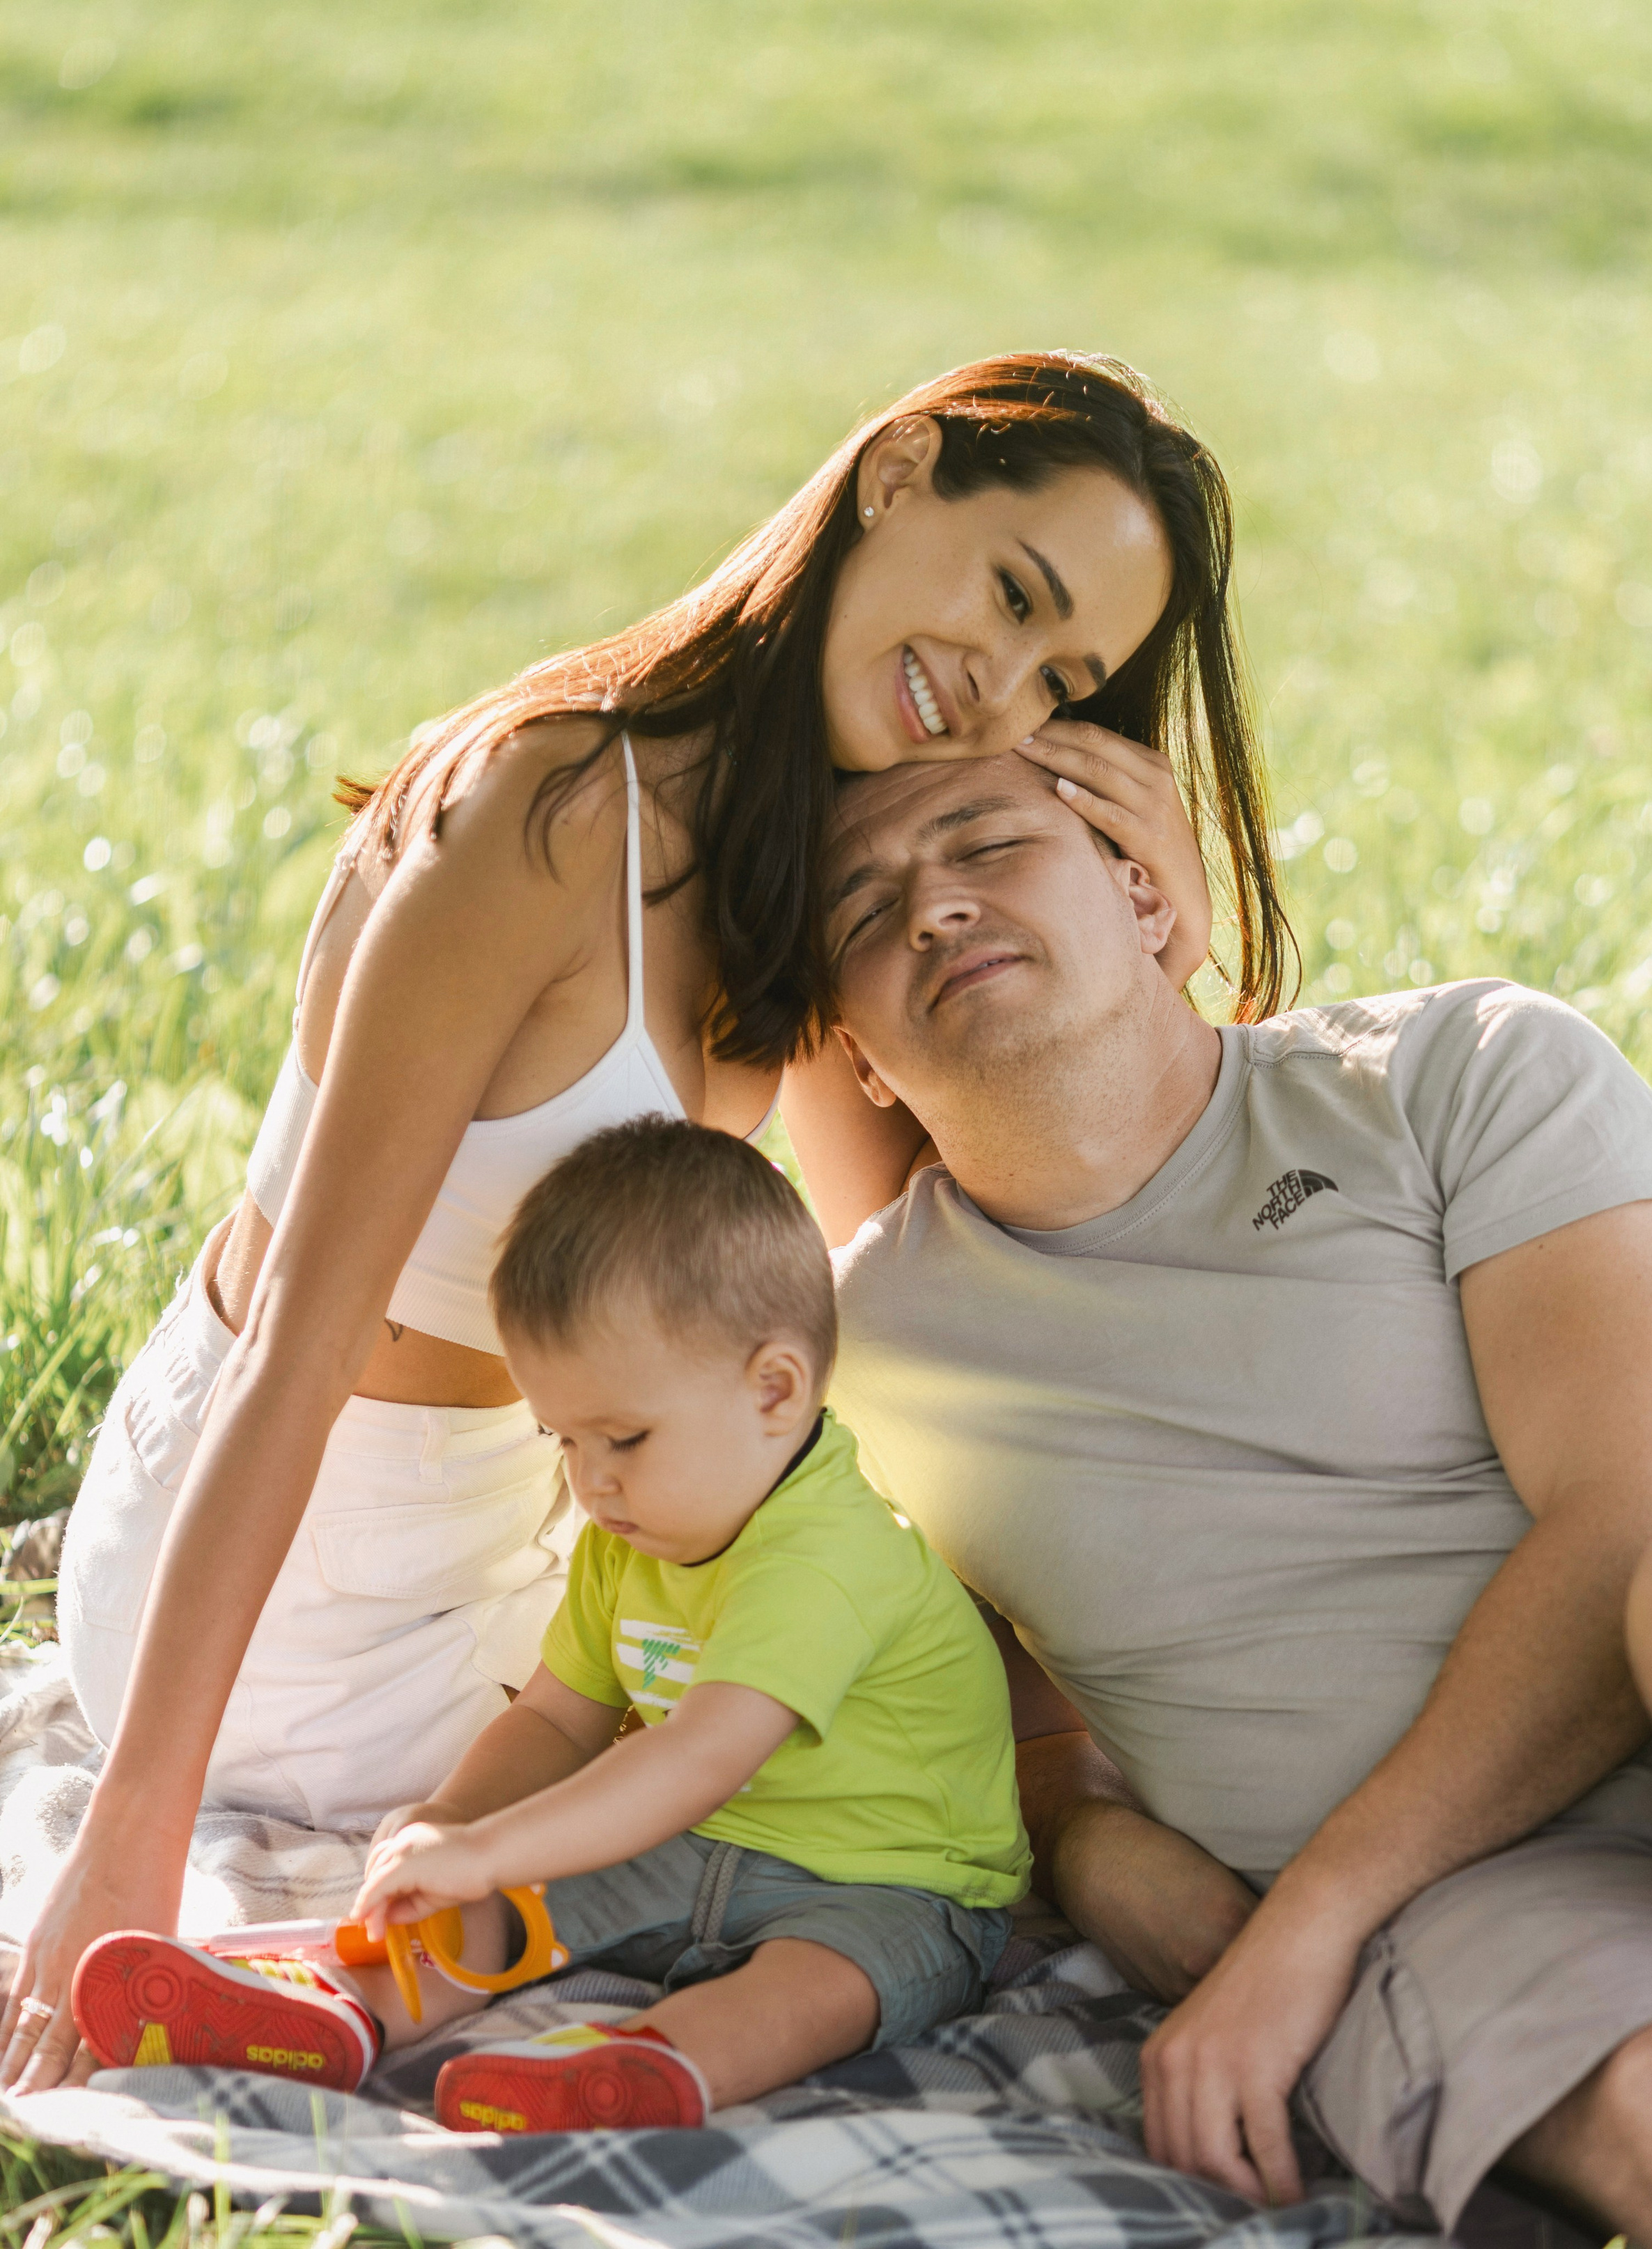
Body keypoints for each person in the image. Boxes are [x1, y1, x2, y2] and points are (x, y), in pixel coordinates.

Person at [7, 350, 1268, 2092]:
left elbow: (931, 1297)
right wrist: (130, 1842)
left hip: (541, 1539)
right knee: (827, 1756)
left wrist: (1144, 953)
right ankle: (1019, 1856)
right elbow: (298, 1334)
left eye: (1060, 680)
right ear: (897, 472)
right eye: (1009, 594)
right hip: (308, 1570)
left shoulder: (798, 856)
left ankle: (1076, 1818)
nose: (997, 688)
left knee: (870, 1599)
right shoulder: (549, 810)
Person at [811, 747, 1652, 2245]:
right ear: (856, 1057)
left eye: (985, 845)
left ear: (1146, 897)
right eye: (865, 911)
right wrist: (1082, 1834)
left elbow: (1642, 1517)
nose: (933, 907)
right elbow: (925, 1707)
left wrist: (1302, 1929)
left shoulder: (1462, 1068)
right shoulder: (840, 1359)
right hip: (1483, 1909)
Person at [70, 1120, 1029, 2129]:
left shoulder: (827, 1556)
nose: (590, 1480)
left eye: (623, 1437)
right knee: (489, 1904)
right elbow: (555, 1718)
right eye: (562, 1438)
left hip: (890, 1882)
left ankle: (645, 2066)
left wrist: (494, 1847)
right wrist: (453, 1822)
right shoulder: (632, 1534)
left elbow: (696, 1757)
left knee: (818, 1983)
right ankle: (343, 2007)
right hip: (692, 1846)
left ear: (776, 1391)